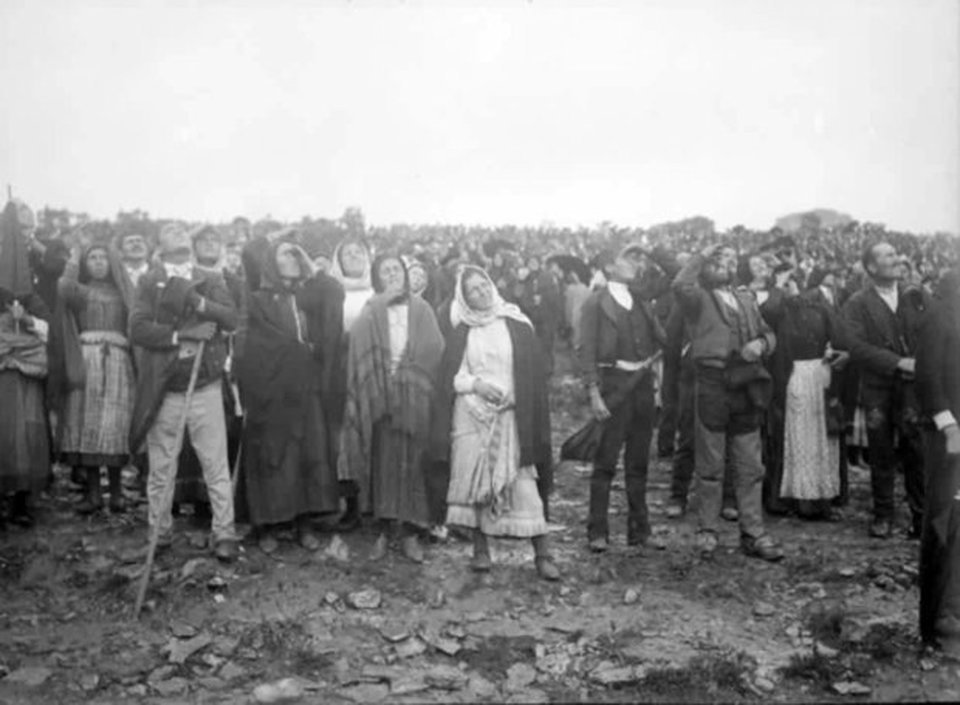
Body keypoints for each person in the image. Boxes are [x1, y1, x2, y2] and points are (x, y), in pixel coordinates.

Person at [432, 265, 559, 580]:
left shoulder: (517, 323)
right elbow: (453, 376)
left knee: (523, 482)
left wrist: (513, 397)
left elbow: (531, 374)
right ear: (465, 299)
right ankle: (480, 549)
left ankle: (542, 553)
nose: (482, 292)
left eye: (484, 285)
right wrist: (476, 385)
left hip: (511, 412)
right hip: (472, 414)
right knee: (478, 483)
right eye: (473, 291)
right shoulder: (462, 331)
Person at [128, 224, 239, 561]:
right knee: (161, 467)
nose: (178, 233)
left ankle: (225, 532)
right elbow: (137, 328)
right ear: (159, 246)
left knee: (214, 462)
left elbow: (231, 318)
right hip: (166, 387)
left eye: (181, 231)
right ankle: (159, 533)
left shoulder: (211, 279)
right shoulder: (150, 281)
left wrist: (200, 303)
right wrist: (182, 335)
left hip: (205, 383)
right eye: (169, 231)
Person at [672, 242, 784, 561]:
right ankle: (708, 530)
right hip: (712, 382)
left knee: (750, 464)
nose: (725, 265)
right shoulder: (697, 299)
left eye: (731, 260)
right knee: (710, 464)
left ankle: (753, 533)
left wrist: (761, 345)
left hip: (745, 383)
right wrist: (702, 254)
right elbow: (680, 284)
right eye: (718, 260)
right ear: (706, 266)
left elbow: (769, 333)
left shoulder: (746, 299)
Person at [236, 239, 342, 553]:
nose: (294, 257)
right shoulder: (257, 300)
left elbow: (326, 326)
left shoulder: (309, 296)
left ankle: (303, 522)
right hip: (272, 389)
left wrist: (310, 266)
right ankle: (267, 524)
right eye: (286, 253)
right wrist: (297, 351)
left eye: (297, 253)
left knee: (307, 453)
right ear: (271, 262)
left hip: (306, 388)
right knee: (272, 456)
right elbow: (256, 345)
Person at [338, 254, 445, 562]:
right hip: (380, 393)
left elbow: (434, 346)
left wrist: (408, 375)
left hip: (414, 394)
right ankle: (384, 529)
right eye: (385, 271)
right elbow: (358, 345)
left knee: (413, 460)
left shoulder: (421, 308)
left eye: (396, 269)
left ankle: (410, 531)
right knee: (382, 460)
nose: (392, 274)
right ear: (377, 278)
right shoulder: (371, 309)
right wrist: (381, 379)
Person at [579, 246, 666, 553]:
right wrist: (593, 394)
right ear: (609, 266)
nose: (634, 264)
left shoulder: (640, 298)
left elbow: (668, 280)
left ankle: (640, 530)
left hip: (642, 386)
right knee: (605, 462)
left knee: (638, 462)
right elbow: (587, 350)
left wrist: (650, 254)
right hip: (614, 386)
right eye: (627, 259)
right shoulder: (596, 302)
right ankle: (597, 531)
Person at [842, 242, 928, 538]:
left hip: (912, 388)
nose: (897, 259)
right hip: (878, 387)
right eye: (888, 255)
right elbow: (855, 346)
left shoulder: (915, 295)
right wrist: (897, 362)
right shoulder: (857, 303)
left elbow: (933, 330)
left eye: (896, 253)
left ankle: (921, 517)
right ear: (871, 267)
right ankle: (883, 515)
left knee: (916, 450)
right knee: (880, 451)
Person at [55, 241, 136, 514]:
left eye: (103, 257)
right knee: (87, 422)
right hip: (87, 360)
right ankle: (93, 494)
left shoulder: (125, 292)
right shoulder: (81, 291)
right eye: (93, 258)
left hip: (118, 362)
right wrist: (74, 257)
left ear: (112, 262)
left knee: (114, 424)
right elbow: (63, 288)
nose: (99, 262)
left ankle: (116, 494)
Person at [768, 267, 850, 519]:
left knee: (820, 438)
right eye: (786, 285)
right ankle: (801, 498)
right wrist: (778, 286)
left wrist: (838, 355)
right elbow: (768, 311)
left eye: (794, 284)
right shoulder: (779, 310)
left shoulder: (819, 309)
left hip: (818, 374)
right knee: (799, 437)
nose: (791, 290)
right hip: (795, 376)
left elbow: (839, 337)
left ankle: (820, 498)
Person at [916, 261, 960, 658]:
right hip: (949, 435)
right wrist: (948, 426)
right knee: (944, 523)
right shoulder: (939, 317)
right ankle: (937, 623)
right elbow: (927, 377)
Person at [0, 200, 51, 529]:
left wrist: (28, 320)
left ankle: (22, 500)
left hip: (26, 373)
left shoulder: (32, 284)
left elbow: (50, 327)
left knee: (26, 432)